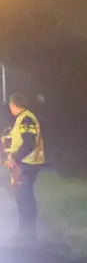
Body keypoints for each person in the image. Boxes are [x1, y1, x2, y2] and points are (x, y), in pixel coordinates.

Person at [5, 94, 45, 237]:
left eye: (10, 105)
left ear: (13, 104)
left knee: (25, 199)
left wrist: (14, 159)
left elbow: (28, 143)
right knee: (23, 198)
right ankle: (25, 233)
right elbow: (19, 140)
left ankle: (28, 235)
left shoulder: (26, 119)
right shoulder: (23, 118)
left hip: (27, 164)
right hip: (25, 163)